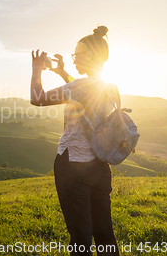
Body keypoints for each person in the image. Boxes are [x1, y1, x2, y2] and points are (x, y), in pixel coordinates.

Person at [30, 25, 120, 256]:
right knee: (104, 234)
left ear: (90, 55)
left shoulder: (80, 86)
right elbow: (83, 92)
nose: (74, 59)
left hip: (73, 165)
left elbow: (37, 98)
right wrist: (62, 73)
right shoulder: (109, 85)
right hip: (100, 166)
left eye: (76, 55)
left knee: (80, 238)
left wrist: (37, 69)